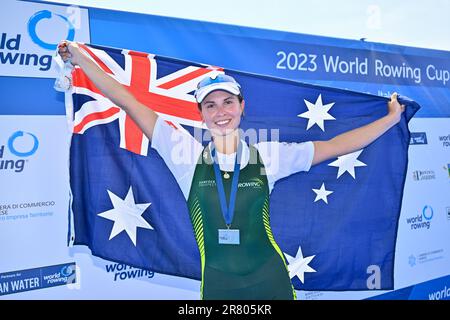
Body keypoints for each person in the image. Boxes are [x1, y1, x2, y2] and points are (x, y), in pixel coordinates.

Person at [58, 41, 405, 300]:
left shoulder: (269, 156)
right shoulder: (184, 154)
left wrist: (390, 119)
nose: (220, 111)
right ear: (201, 114)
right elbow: (126, 99)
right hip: (219, 288)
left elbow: (337, 146)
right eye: (210, 105)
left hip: (272, 282)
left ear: (242, 107)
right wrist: (79, 58)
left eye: (227, 102)